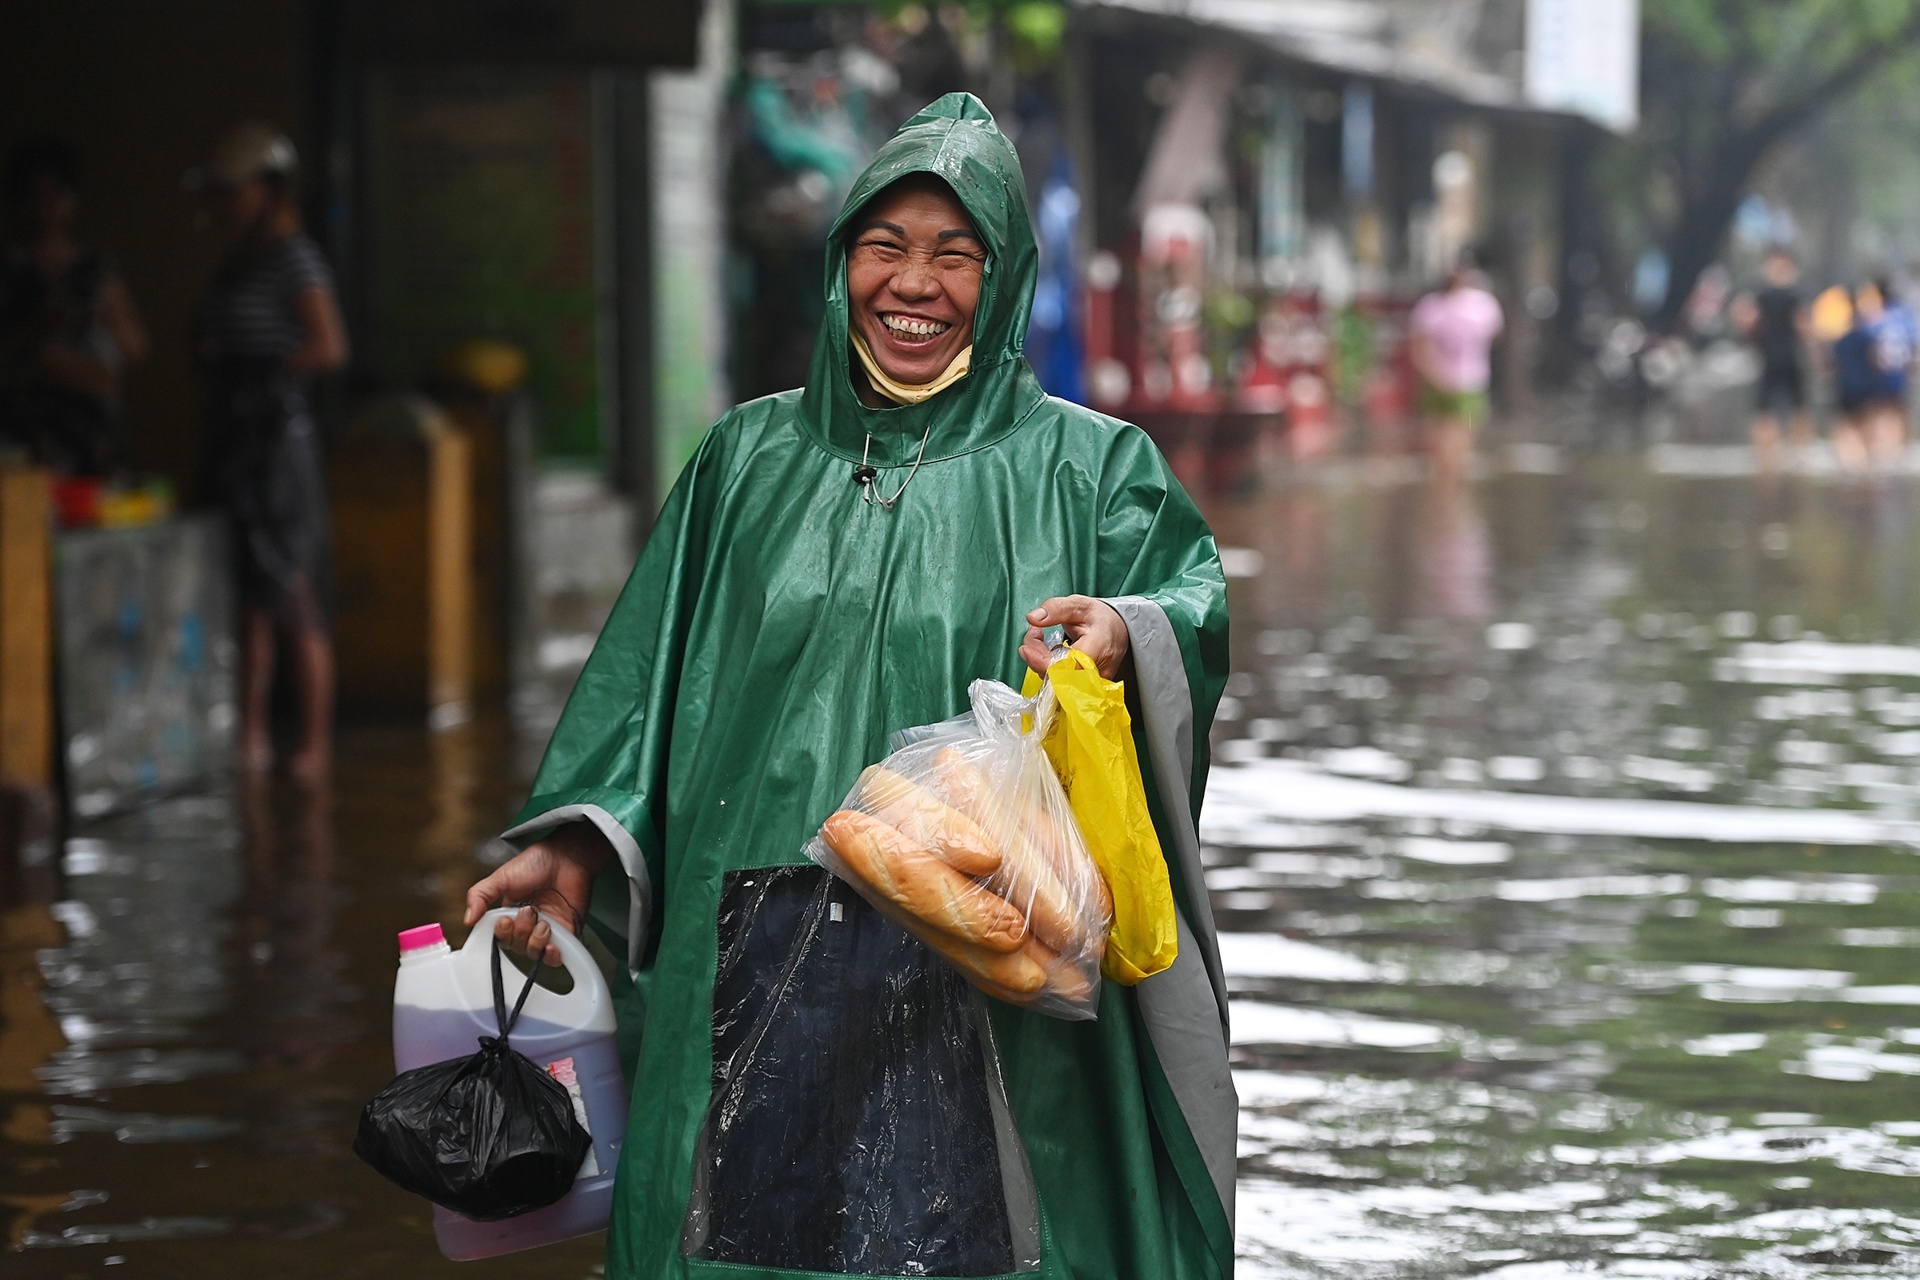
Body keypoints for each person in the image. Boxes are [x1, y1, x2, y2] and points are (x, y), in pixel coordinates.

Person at [464, 95, 1233, 1280]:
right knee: (747, 1234)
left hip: (990, 945)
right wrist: (575, 844)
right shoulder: (744, 461)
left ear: (1007, 276)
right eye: (884, 247)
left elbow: (1191, 603)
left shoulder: (1095, 468)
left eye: (954, 254)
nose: (912, 284)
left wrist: (1129, 631)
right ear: (840, 267)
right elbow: (649, 680)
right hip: (756, 937)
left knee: (984, 1233)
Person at [193, 123, 348, 778]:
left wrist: (269, 368)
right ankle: (250, 738)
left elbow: (329, 346)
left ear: (270, 189)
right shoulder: (237, 264)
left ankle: (313, 746)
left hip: (279, 443)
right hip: (238, 438)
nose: (225, 205)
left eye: (235, 191)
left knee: (293, 587)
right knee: (251, 596)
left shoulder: (295, 260)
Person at [0, 138, 149, 473]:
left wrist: (107, 320)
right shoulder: (10, 269)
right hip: (21, 431)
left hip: (90, 431)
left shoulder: (95, 270)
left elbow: (135, 348)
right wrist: (40, 332)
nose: (47, 207)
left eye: (57, 194)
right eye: (34, 195)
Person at [1408, 257, 1504, 476]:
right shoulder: (1438, 307)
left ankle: (1448, 480)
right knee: (1449, 433)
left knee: (1452, 433)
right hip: (1456, 380)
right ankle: (1450, 480)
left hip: (1458, 379)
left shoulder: (1437, 307)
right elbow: (1420, 346)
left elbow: (1418, 347)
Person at [1741, 248, 1810, 468]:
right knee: (1798, 407)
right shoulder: (1796, 295)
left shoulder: (1760, 295)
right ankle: (1799, 455)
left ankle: (1765, 458)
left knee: (1764, 409)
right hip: (1792, 356)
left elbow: (1747, 322)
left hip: (1768, 357)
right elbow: (1804, 327)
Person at [1867, 274, 1916, 461]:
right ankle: (1897, 450)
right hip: (1900, 370)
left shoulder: (1876, 315)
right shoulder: (1904, 314)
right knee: (1897, 409)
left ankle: (1886, 450)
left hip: (1882, 370)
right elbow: (1913, 343)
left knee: (1882, 410)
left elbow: (1869, 346)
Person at [1831, 286, 1880, 473]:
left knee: (1846, 425)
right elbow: (1874, 360)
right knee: (1866, 423)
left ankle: (1849, 461)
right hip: (1865, 387)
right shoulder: (1867, 337)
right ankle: (1867, 459)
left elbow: (1832, 366)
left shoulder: (1840, 341)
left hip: (1845, 388)